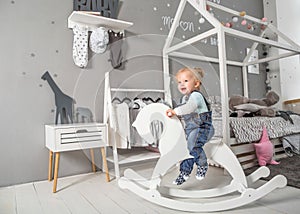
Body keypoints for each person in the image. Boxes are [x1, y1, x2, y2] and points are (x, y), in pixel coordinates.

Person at [166, 67, 214, 185]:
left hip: (203, 128)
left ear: (196, 83)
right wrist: (174, 116)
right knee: (187, 148)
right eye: (179, 82)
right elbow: (184, 114)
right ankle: (184, 172)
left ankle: (202, 164)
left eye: (186, 81)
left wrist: (175, 111)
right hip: (191, 129)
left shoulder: (196, 96)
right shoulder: (184, 98)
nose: (182, 84)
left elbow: (189, 108)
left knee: (192, 145)